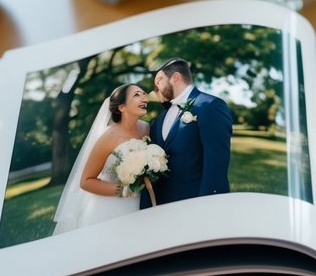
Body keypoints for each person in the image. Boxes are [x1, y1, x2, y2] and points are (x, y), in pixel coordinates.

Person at [52, 84, 150, 234]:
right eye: (137, 95)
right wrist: (123, 191)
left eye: (144, 93)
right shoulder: (108, 138)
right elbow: (86, 181)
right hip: (110, 207)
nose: (145, 97)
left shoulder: (146, 128)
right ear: (122, 107)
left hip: (142, 201)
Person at [141, 58, 233, 206]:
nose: (155, 87)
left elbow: (216, 164)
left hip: (195, 204)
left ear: (176, 77)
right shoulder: (159, 120)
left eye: (159, 80)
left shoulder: (210, 106)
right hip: (161, 208)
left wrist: (206, 205)